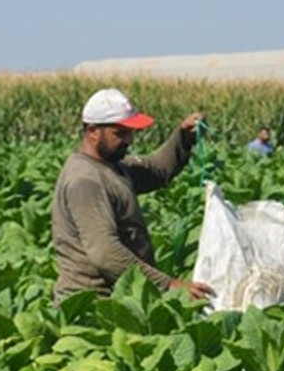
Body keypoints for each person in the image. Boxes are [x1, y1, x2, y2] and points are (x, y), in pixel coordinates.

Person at [51, 88, 214, 303]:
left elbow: (157, 169)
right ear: (92, 131)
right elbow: (106, 253)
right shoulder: (86, 182)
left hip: (121, 297)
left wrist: (183, 136)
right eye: (120, 133)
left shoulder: (113, 166)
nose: (129, 140)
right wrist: (168, 285)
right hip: (93, 305)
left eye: (131, 132)